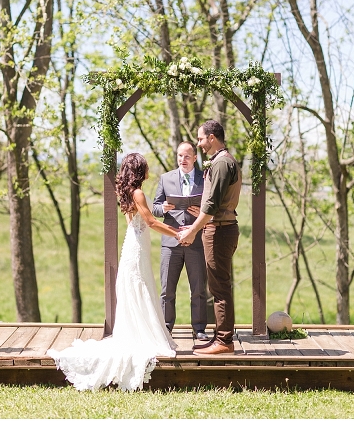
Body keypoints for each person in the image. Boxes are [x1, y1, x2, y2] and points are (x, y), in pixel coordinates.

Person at [47, 153, 179, 391]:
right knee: (142, 287)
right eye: (146, 167)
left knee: (139, 287)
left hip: (133, 242)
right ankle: (144, 336)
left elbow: (137, 219)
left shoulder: (129, 192)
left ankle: (139, 330)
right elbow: (149, 222)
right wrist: (177, 233)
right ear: (141, 171)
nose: (149, 170)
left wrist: (163, 212)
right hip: (137, 245)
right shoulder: (137, 193)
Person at [177, 120, 241, 355]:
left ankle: (224, 341)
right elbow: (212, 201)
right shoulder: (220, 161)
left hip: (220, 230)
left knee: (219, 287)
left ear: (212, 137)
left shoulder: (223, 163)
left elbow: (213, 205)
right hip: (218, 228)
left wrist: (192, 230)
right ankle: (220, 337)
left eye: (201, 139)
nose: (199, 143)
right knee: (217, 284)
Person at [152, 141, 209, 341]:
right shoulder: (165, 179)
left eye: (186, 156)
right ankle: (166, 328)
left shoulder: (205, 178)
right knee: (167, 289)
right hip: (171, 243)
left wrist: (201, 211)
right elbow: (154, 207)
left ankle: (200, 328)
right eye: (179, 156)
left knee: (199, 289)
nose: (182, 160)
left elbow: (212, 206)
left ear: (195, 158)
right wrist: (163, 208)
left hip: (196, 241)